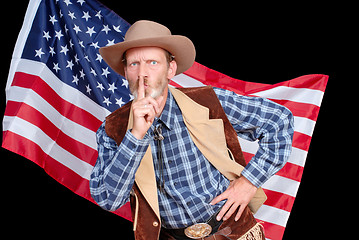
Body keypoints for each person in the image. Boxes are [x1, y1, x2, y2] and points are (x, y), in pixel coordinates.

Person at [90, 20, 294, 240]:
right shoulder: (113, 129)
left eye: (152, 62)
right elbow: (107, 199)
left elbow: (279, 120)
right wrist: (136, 136)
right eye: (134, 64)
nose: (143, 73)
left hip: (231, 231)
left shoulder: (207, 101)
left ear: (171, 69)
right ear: (125, 72)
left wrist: (249, 181)